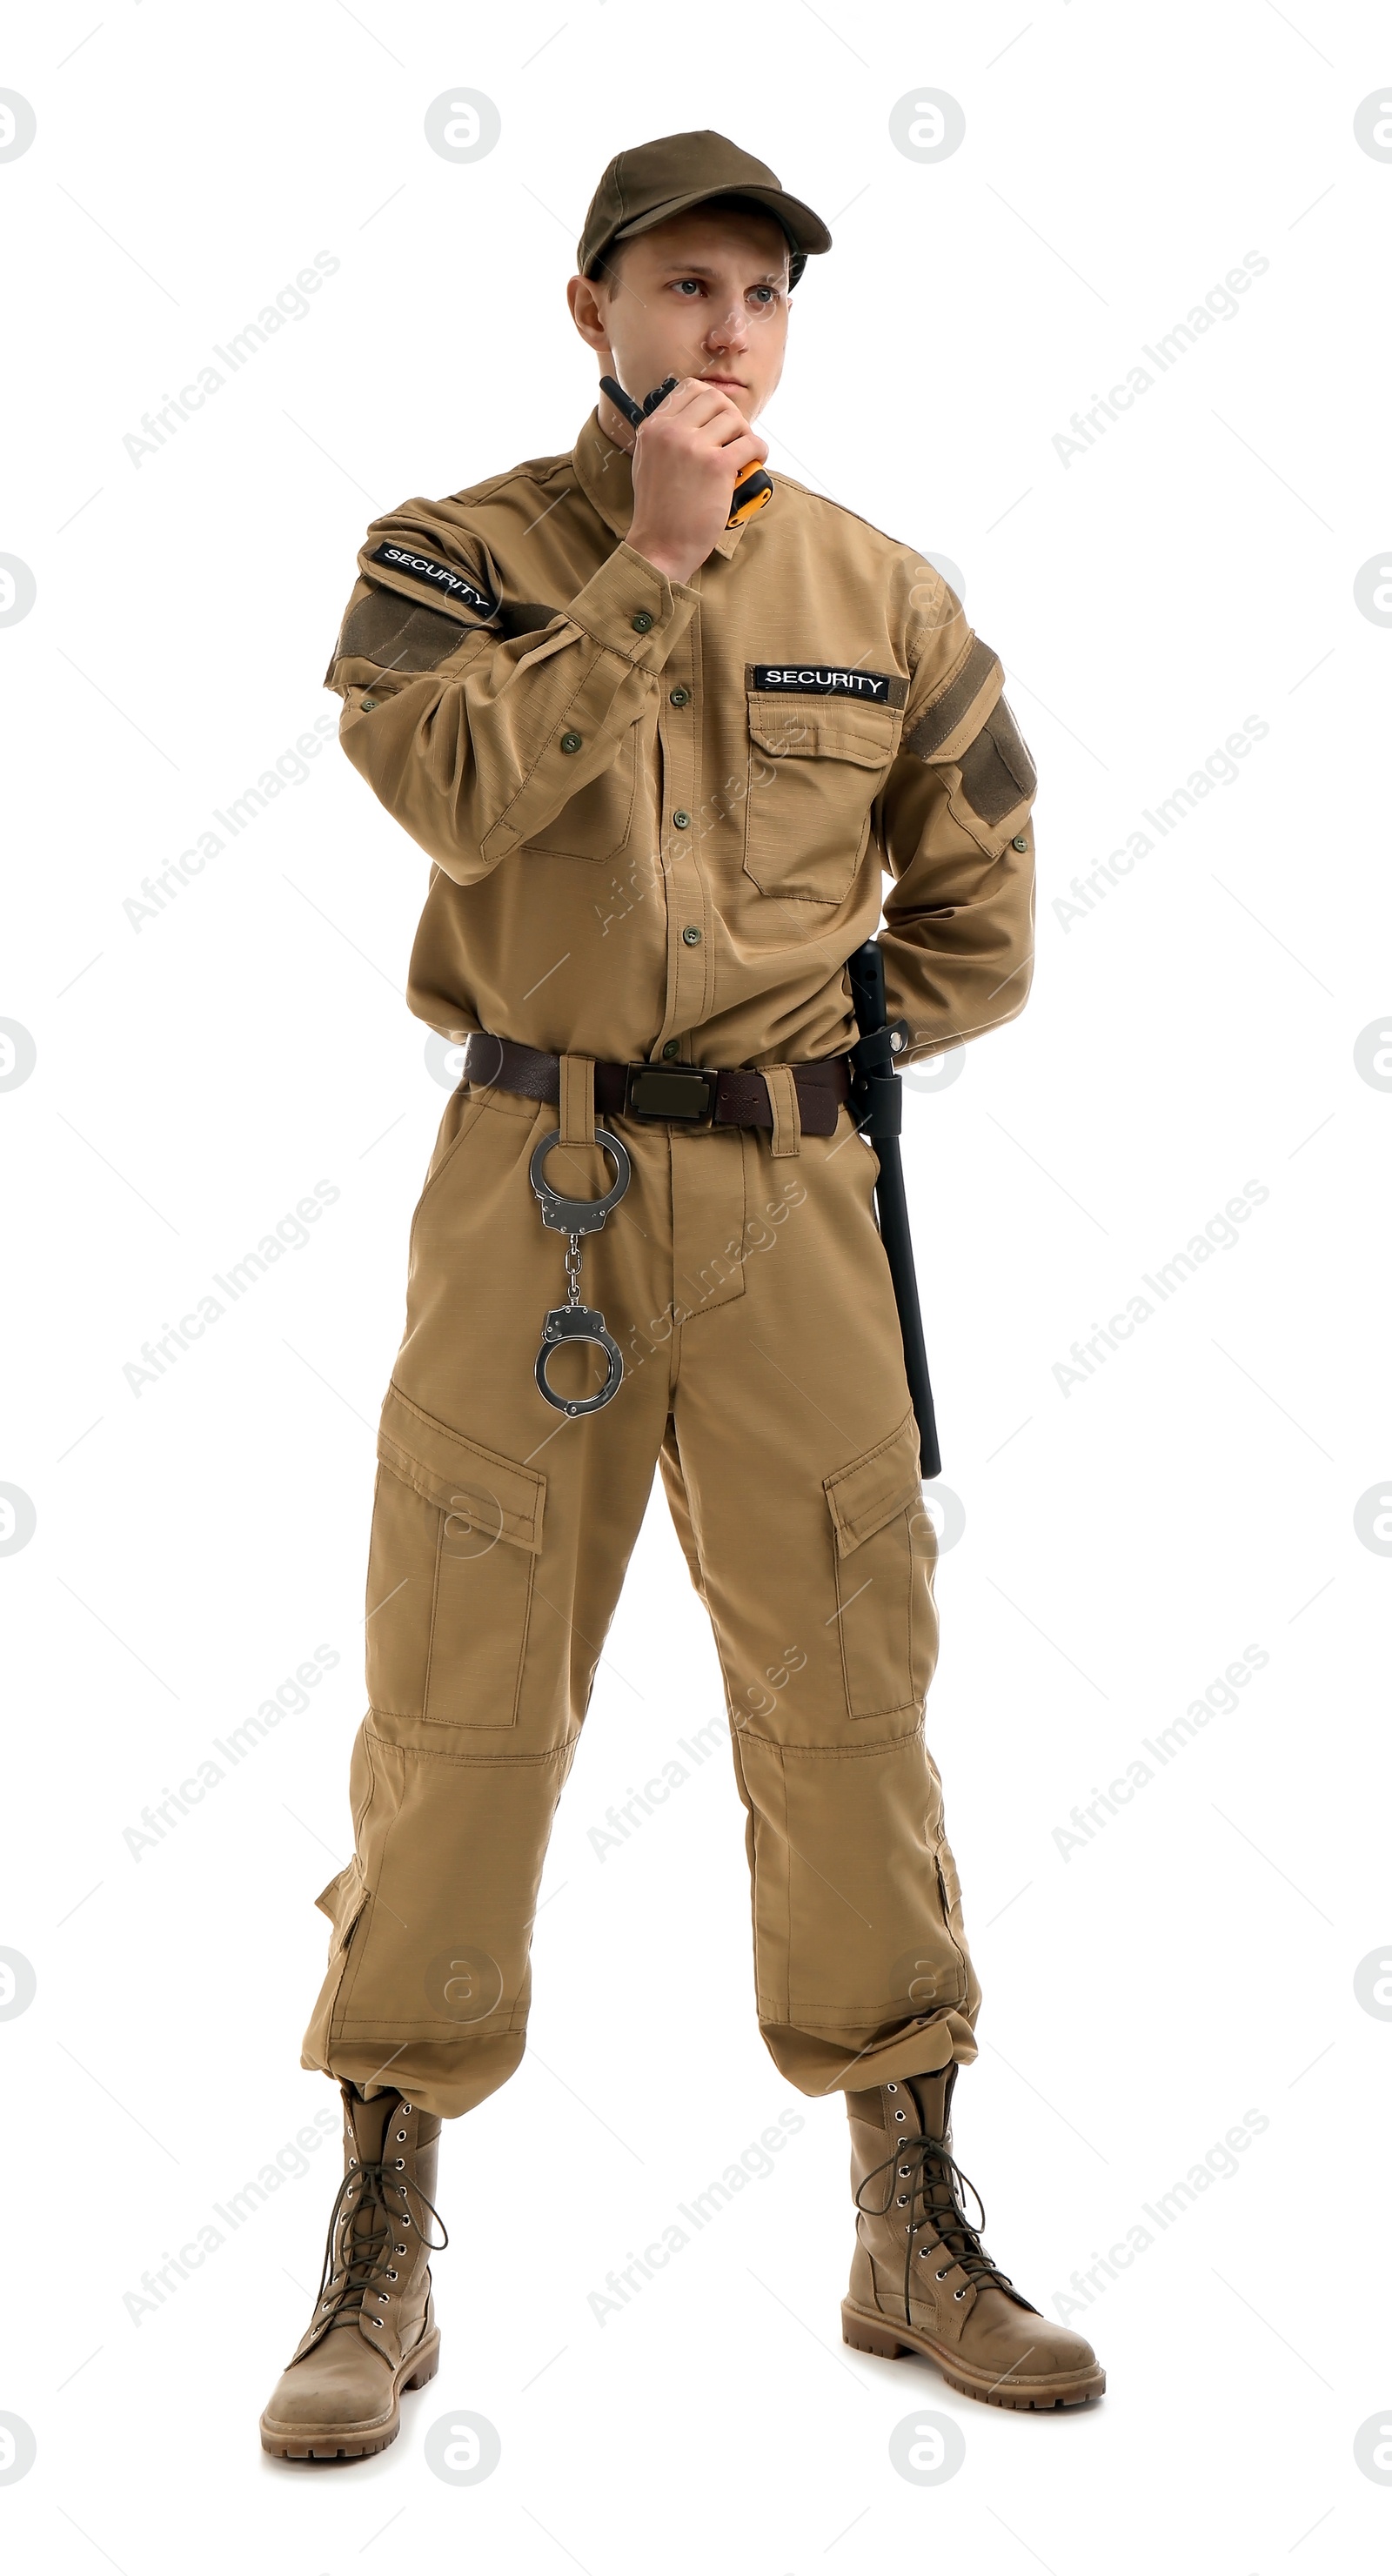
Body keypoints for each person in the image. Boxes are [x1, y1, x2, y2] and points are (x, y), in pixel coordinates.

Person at [258, 127, 1104, 2461]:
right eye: (685, 286)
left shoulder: (889, 591)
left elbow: (984, 903)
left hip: (791, 1206)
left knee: (852, 1694)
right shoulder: (447, 560)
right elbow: (447, 785)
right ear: (592, 314)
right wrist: (641, 573)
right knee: (463, 1693)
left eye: (764, 293)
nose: (728, 328)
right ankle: (381, 2230)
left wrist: (813, 1063)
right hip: (523, 1182)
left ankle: (909, 2210)